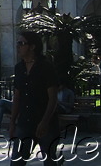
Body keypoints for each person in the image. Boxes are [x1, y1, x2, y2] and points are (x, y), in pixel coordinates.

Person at [9, 31, 62, 165]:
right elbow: (17, 96)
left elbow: (52, 98)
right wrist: (12, 122)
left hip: (45, 123)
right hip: (25, 123)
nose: (18, 47)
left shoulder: (45, 67)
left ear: (32, 46)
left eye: (22, 43)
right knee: (17, 161)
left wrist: (44, 122)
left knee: (49, 160)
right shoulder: (19, 68)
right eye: (18, 43)